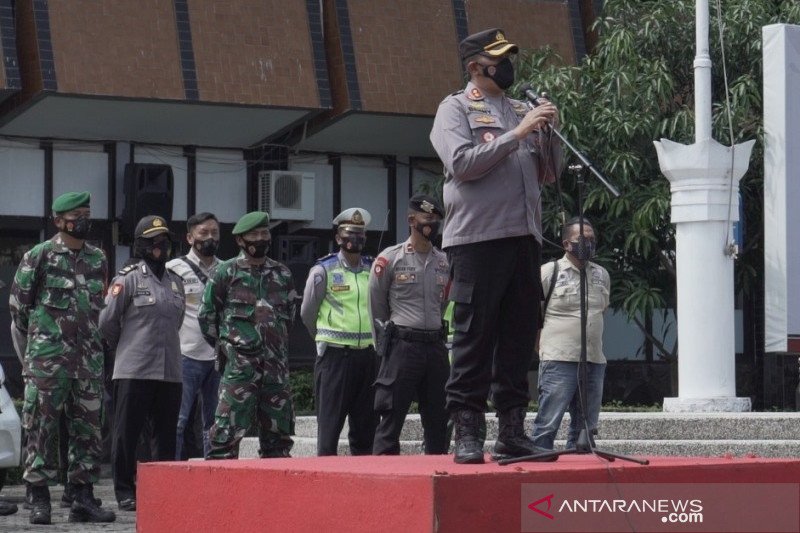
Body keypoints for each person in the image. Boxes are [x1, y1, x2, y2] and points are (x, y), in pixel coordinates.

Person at [429, 28, 563, 464]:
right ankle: (467, 431)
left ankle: (512, 430)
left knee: (518, 337)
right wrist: (519, 132)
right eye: (498, 59)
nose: (507, 66)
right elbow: (463, 165)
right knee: (473, 337)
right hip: (477, 241)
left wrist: (549, 136)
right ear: (475, 67)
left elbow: (547, 175)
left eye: (509, 58)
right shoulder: (454, 108)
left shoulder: (522, 109)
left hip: (524, 237)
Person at [9, 191, 116, 524]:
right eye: (76, 214)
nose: (83, 219)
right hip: (48, 363)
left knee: (88, 432)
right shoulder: (39, 256)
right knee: (41, 429)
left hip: (87, 363)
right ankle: (39, 497)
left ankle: (82, 497)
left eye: (87, 212)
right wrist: (43, 346)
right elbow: (19, 309)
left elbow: (100, 308)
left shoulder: (98, 259)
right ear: (58, 220)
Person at [99, 215, 185, 512]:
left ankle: (162, 489)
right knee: (127, 434)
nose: (160, 247)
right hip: (134, 368)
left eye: (164, 241)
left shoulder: (176, 283)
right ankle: (125, 490)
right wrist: (127, 347)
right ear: (140, 245)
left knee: (164, 435)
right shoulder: (128, 278)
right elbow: (108, 323)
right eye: (153, 242)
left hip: (170, 371)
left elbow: (178, 321)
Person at [199, 211, 298, 459]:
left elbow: (290, 317)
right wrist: (231, 347)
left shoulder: (282, 274)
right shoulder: (226, 273)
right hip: (239, 370)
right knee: (225, 439)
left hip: (275, 371)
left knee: (279, 443)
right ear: (241, 240)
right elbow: (207, 316)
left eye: (265, 233)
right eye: (254, 234)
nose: (261, 239)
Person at [368, 194, 450, 455]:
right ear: (411, 221)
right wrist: (384, 345)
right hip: (403, 346)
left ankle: (437, 472)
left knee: (438, 417)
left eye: (437, 220)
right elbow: (377, 306)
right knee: (391, 417)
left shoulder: (444, 261)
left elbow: (443, 302)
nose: (433, 224)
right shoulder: (390, 259)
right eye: (428, 219)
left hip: (435, 347)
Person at [300, 208, 378, 456]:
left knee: (366, 430)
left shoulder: (372, 268)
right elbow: (307, 312)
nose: (355, 238)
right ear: (338, 237)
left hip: (368, 356)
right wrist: (323, 336)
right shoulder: (324, 270)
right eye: (349, 233)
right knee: (330, 429)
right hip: (335, 357)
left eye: (360, 233)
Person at [532, 217, 610, 449]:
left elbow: (601, 311)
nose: (588, 243)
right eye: (582, 239)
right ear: (566, 243)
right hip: (559, 358)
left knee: (585, 431)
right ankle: (540, 465)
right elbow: (533, 315)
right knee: (547, 425)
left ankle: (580, 476)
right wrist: (540, 347)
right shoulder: (549, 272)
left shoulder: (601, 274)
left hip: (593, 360)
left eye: (592, 239)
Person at [166, 212, 222, 459]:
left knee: (216, 423)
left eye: (214, 233)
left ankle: (215, 474)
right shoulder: (173, 269)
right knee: (178, 420)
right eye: (203, 233)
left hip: (219, 358)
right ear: (190, 237)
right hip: (185, 355)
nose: (209, 238)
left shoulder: (226, 269)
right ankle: (174, 477)